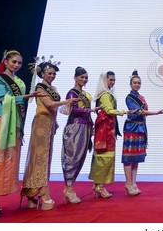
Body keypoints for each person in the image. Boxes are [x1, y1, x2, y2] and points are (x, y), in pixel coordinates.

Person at [0, 50, 42, 219]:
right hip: (2, 119)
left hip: (16, 122)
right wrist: (27, 96)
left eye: (19, 63)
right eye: (14, 62)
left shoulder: (20, 81)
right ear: (6, 62)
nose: (16, 65)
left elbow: (19, 103)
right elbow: (3, 98)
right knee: (1, 157)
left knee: (10, 159)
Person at [20, 61, 77, 211]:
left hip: (50, 123)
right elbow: (50, 104)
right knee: (39, 157)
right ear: (42, 74)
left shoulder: (53, 88)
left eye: (54, 74)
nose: (52, 76)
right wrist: (68, 101)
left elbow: (55, 108)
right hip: (41, 123)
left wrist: (56, 122)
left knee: (45, 157)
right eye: (49, 73)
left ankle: (32, 195)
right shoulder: (39, 87)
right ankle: (42, 193)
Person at [123, 70, 163, 195]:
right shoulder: (129, 97)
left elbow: (143, 113)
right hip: (131, 128)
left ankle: (134, 183)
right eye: (135, 83)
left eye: (139, 83)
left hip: (141, 128)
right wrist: (156, 113)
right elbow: (139, 112)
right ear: (131, 84)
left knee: (136, 157)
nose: (137, 85)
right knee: (128, 157)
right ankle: (128, 183)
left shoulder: (141, 97)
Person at [61, 67, 101, 204]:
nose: (84, 80)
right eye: (82, 77)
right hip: (75, 127)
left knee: (81, 157)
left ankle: (69, 188)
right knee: (72, 157)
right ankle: (69, 188)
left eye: (86, 78)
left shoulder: (85, 94)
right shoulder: (71, 93)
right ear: (75, 78)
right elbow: (74, 110)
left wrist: (91, 126)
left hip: (85, 127)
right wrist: (91, 109)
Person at [89, 71, 128, 198]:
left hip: (107, 127)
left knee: (103, 155)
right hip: (105, 129)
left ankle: (98, 184)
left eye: (114, 80)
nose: (112, 82)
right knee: (105, 156)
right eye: (110, 80)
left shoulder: (107, 93)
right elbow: (109, 110)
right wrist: (124, 112)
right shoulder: (105, 94)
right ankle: (100, 186)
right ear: (104, 80)